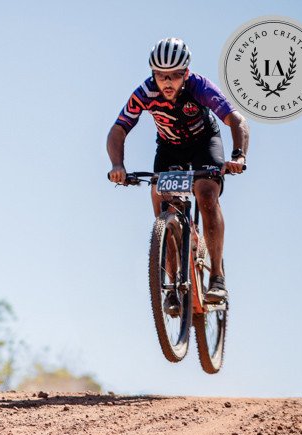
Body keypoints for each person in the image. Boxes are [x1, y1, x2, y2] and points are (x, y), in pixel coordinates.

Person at [107, 37, 249, 310]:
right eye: (161, 76)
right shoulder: (145, 93)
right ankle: (172, 285)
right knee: (162, 200)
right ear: (153, 74)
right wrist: (117, 165)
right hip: (170, 148)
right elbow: (118, 129)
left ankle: (217, 277)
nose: (168, 82)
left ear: (186, 73)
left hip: (204, 143)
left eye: (174, 75)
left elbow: (236, 120)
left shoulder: (200, 87)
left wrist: (238, 156)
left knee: (206, 193)